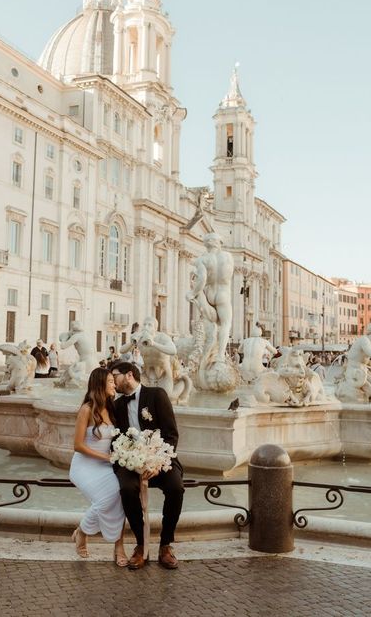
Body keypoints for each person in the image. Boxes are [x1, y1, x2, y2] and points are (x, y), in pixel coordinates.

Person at [110, 361, 184, 570]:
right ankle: (141, 544)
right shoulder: (117, 405)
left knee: (176, 488)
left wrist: (158, 462)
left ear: (129, 375)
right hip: (131, 462)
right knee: (126, 488)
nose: (113, 380)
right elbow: (117, 439)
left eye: (115, 375)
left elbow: (171, 434)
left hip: (161, 459)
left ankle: (165, 545)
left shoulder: (157, 395)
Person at [69, 367, 128, 566]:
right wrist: (105, 456)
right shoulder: (86, 409)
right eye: (111, 381)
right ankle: (82, 533)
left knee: (120, 494)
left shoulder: (112, 408)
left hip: (104, 465)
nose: (115, 384)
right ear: (101, 384)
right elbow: (77, 445)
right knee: (105, 499)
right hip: (84, 466)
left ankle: (118, 546)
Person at [186, 232, 234, 363]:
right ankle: (219, 356)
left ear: (206, 245)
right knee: (225, 324)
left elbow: (202, 280)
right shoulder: (228, 256)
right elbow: (228, 276)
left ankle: (207, 354)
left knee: (211, 324)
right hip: (223, 294)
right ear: (219, 243)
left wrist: (193, 292)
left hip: (209, 294)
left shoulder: (203, 259)